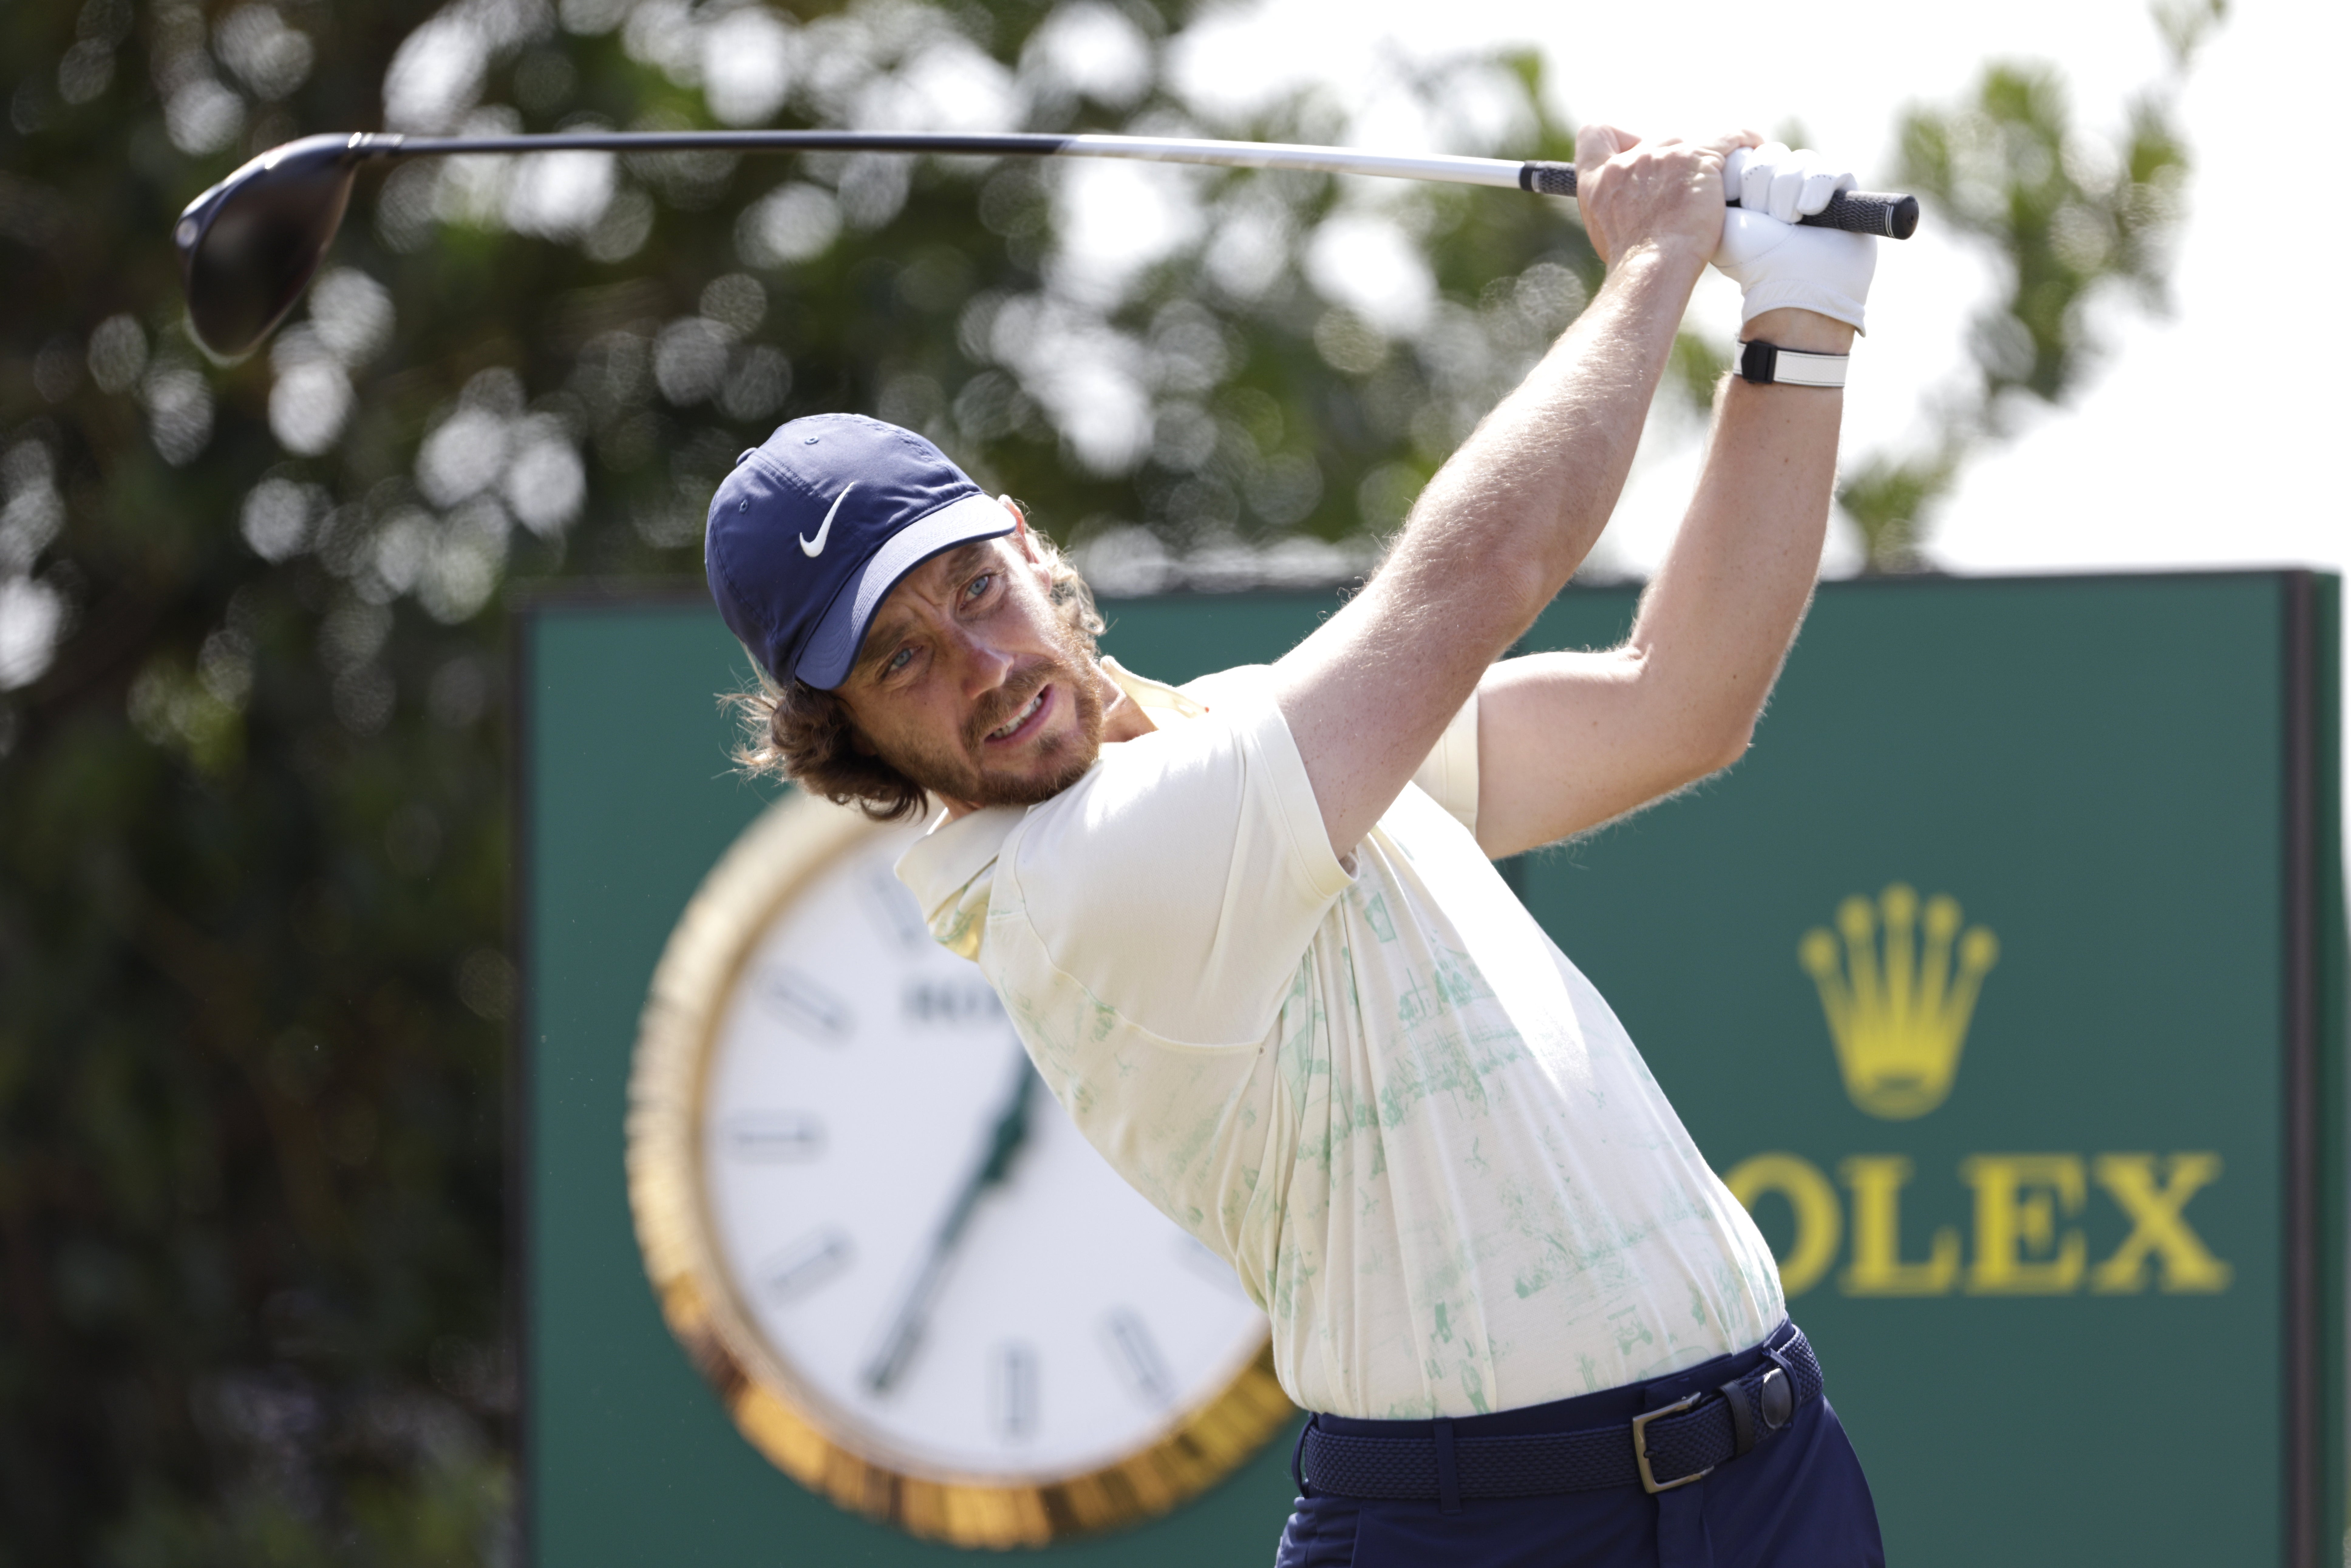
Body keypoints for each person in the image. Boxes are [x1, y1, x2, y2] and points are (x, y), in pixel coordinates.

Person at [704, 126, 1886, 1567]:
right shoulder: (1085, 879)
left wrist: (1801, 318)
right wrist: (1653, 260)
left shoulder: (1253, 740)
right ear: (844, 741)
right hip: (1494, 1525)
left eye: (973, 585)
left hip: (1772, 1471)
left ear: (1025, 542)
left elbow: (1674, 705)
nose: (981, 660)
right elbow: (1481, 581)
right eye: (901, 657)